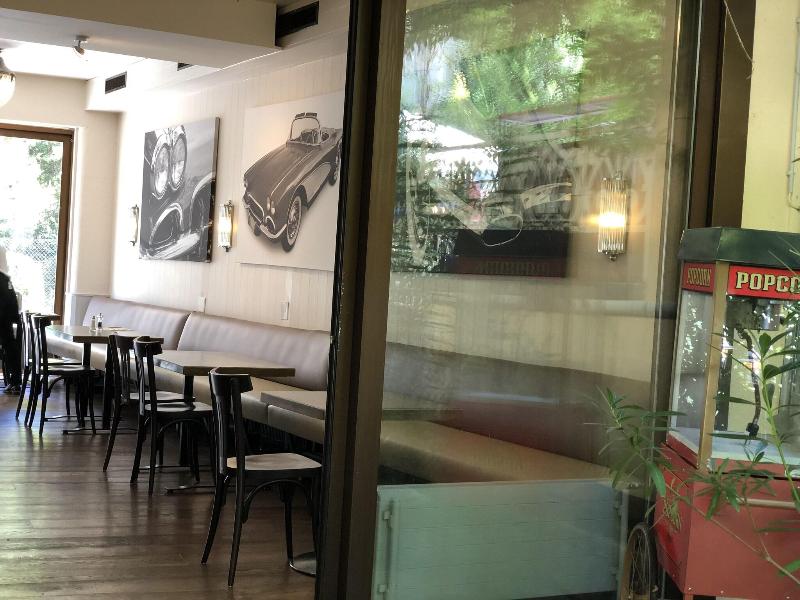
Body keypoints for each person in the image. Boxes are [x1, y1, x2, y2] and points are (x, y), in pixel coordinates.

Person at [0, 247, 21, 393]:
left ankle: (15, 380)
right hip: (5, 321)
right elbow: (13, 306)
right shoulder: (6, 280)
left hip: (3, 321)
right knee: (10, 345)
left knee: (9, 345)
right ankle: (15, 381)